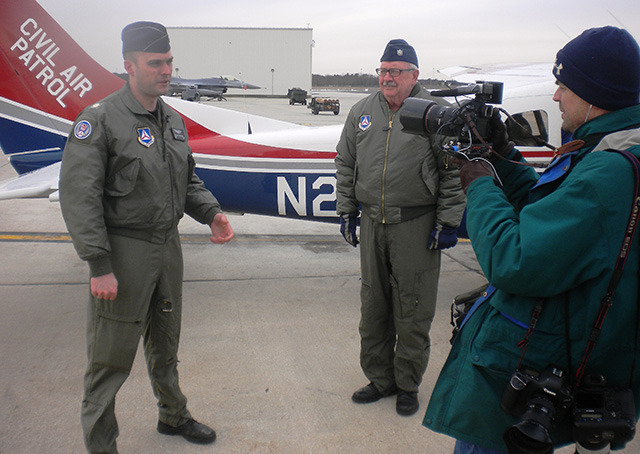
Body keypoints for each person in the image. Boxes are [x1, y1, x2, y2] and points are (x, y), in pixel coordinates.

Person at [423, 26, 640, 453]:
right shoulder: (609, 149)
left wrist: (479, 182)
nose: (556, 97)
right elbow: (550, 208)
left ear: (594, 94)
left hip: (538, 366)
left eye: (563, 85)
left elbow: (513, 258)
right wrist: (503, 156)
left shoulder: (608, 172)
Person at [59, 22, 234, 453]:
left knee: (165, 341)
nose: (166, 70)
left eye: (169, 62)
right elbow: (79, 198)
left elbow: (187, 180)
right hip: (123, 251)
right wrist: (99, 264)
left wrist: (211, 213)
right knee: (109, 356)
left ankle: (173, 416)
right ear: (129, 66)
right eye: (155, 63)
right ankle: (102, 445)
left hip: (167, 248)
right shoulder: (99, 120)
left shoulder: (171, 118)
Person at [335, 39, 466, 417]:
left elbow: (453, 173)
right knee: (373, 305)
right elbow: (345, 161)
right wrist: (347, 209)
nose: (387, 77)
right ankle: (381, 379)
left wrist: (447, 222)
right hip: (374, 222)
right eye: (382, 70)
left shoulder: (437, 113)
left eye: (395, 71)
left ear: (414, 75)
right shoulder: (362, 111)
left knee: (413, 308)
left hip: (416, 223)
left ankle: (408, 383)